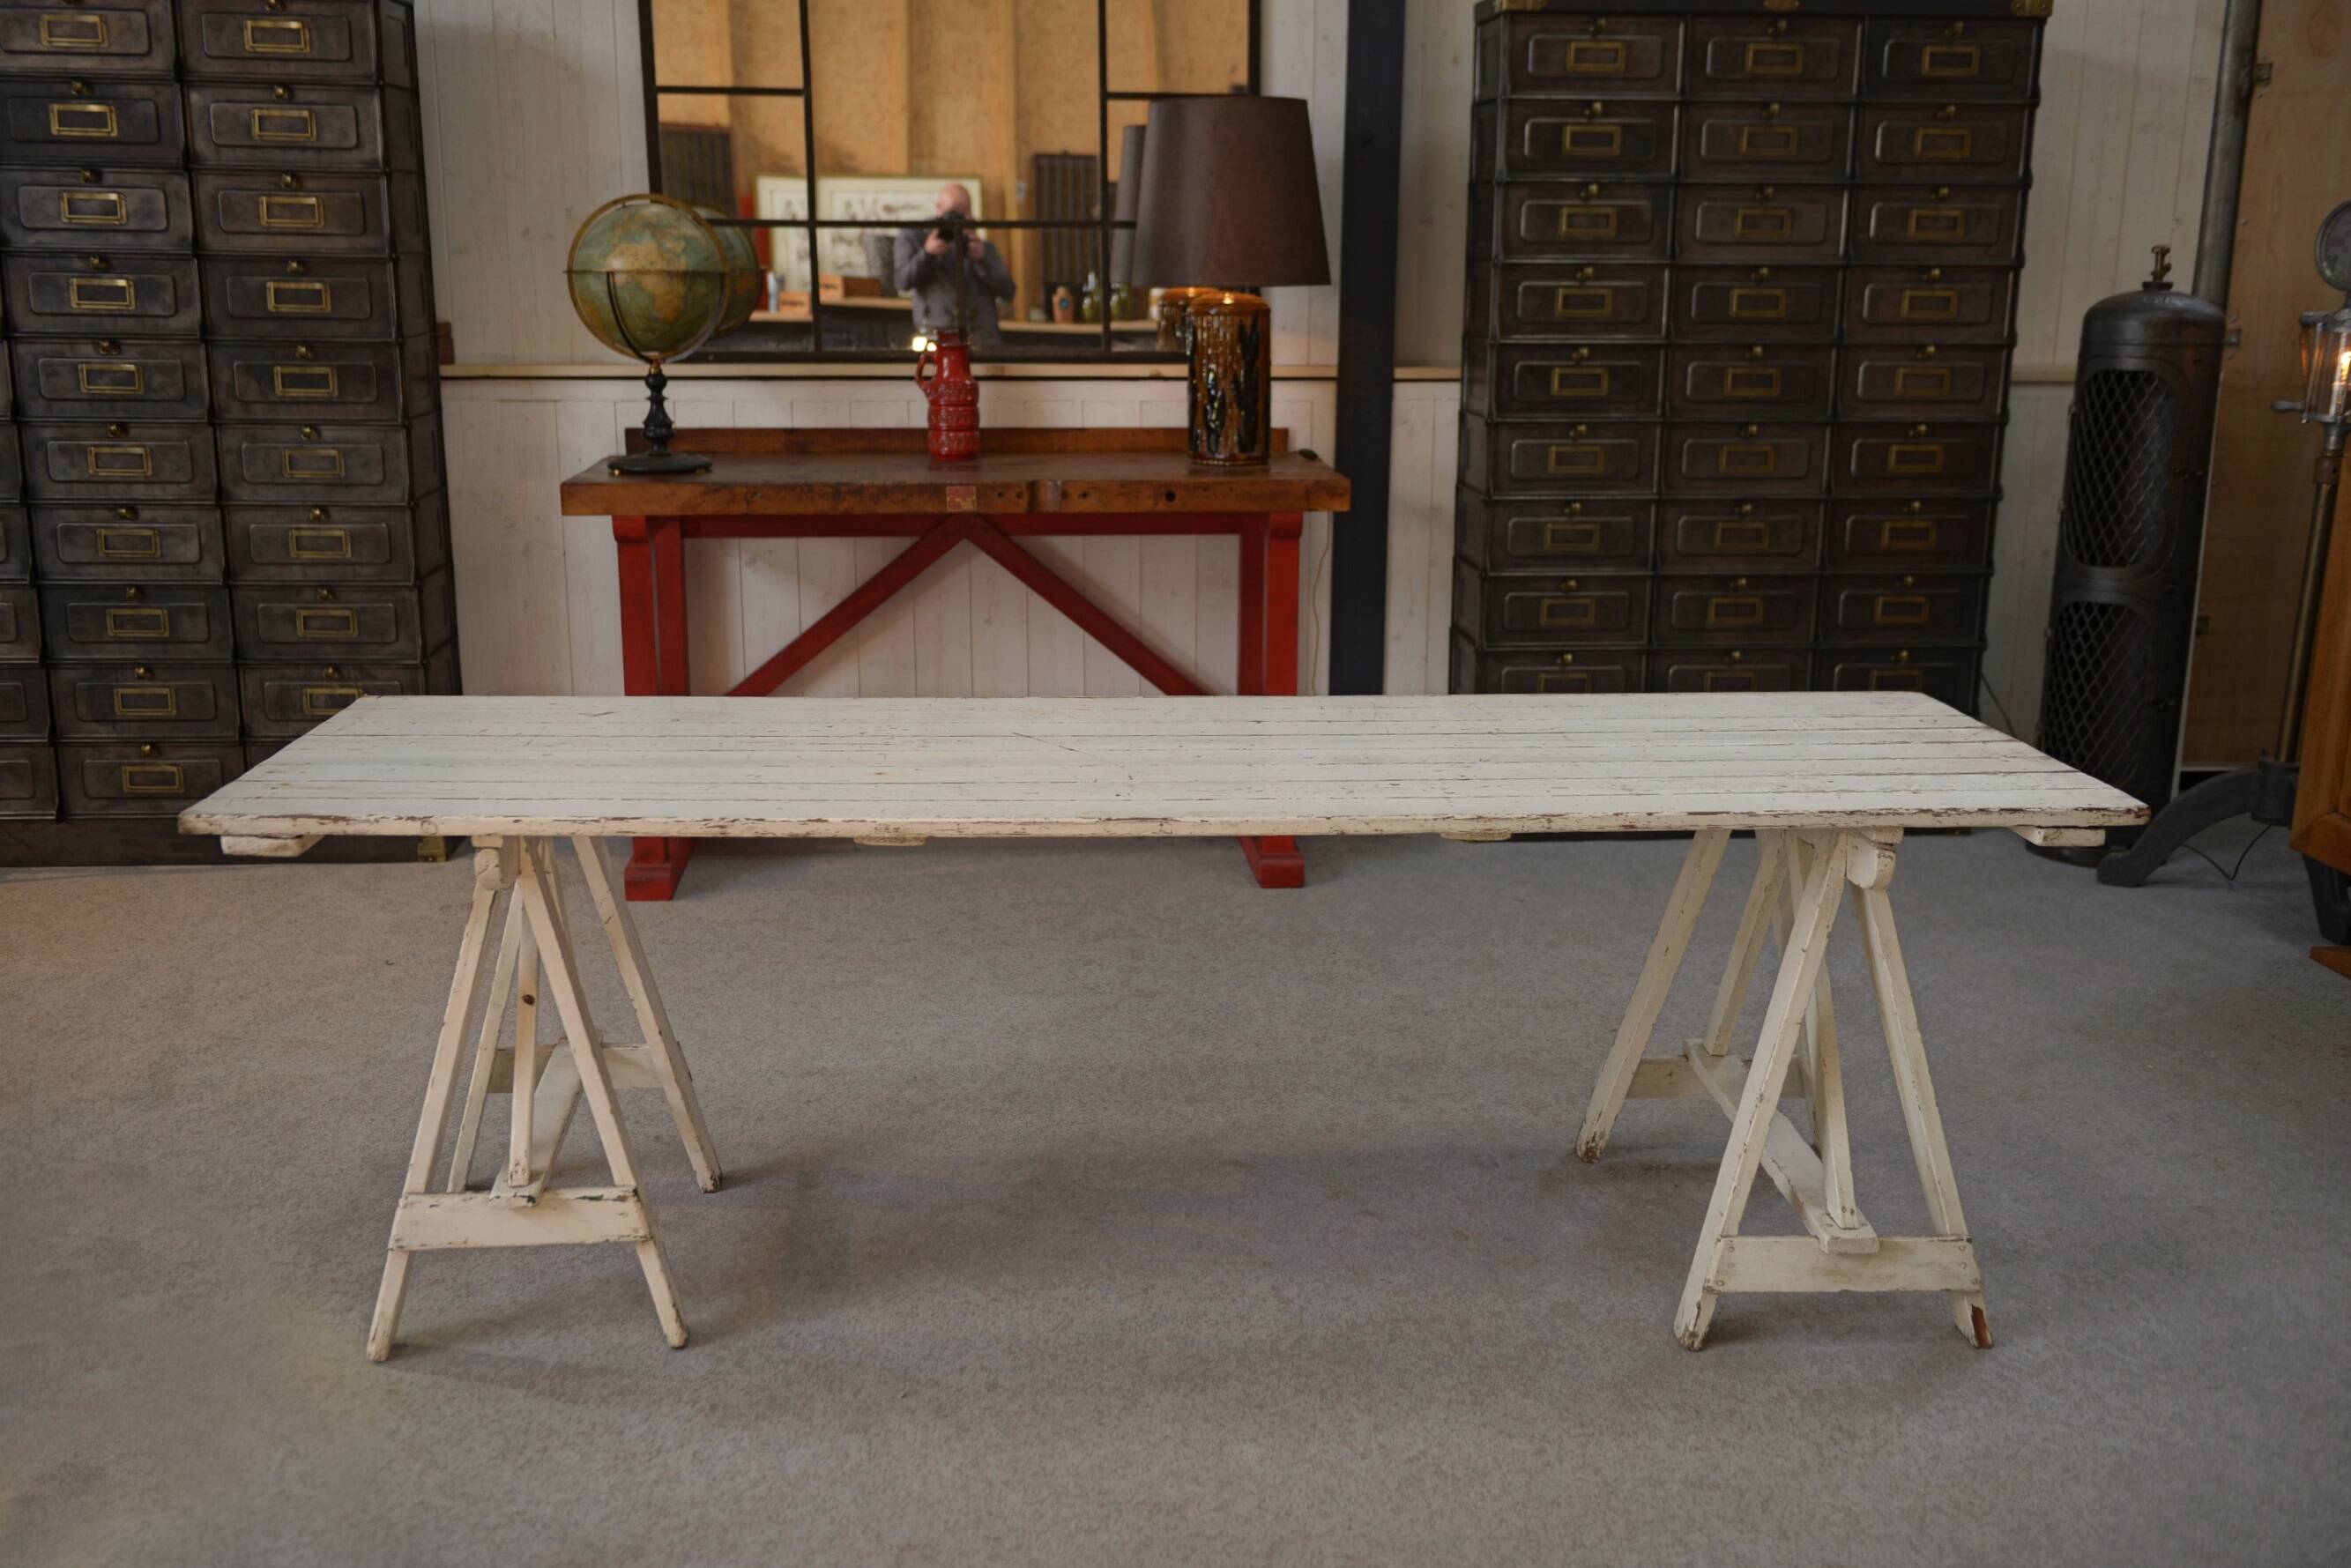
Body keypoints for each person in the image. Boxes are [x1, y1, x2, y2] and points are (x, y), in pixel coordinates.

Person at [893, 182, 1016, 346]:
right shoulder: (916, 237)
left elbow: (1009, 291)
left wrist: (982, 260)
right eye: (951, 215)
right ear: (938, 209)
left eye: (962, 215)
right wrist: (927, 254)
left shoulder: (981, 246)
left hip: (980, 339)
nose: (956, 222)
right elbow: (902, 281)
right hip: (935, 336)